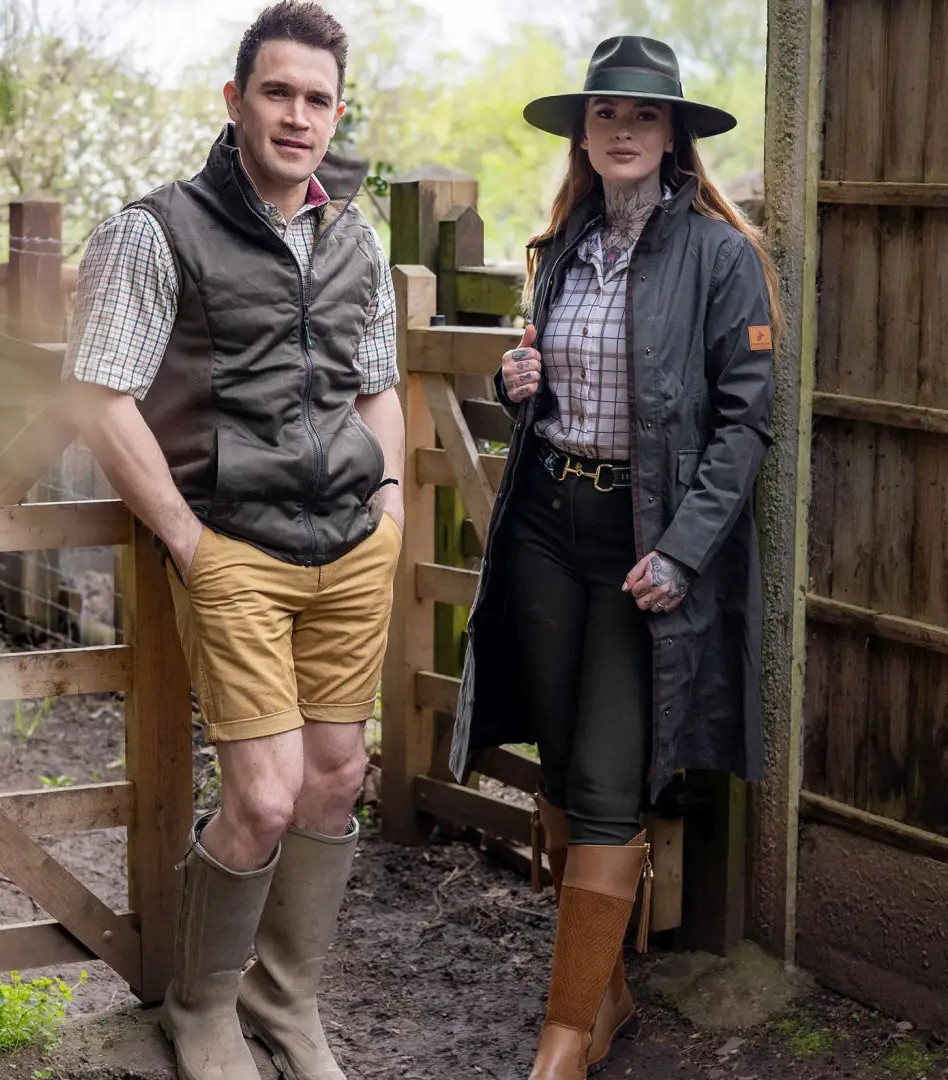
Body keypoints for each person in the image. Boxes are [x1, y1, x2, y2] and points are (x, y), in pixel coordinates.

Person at [63, 4, 403, 1079]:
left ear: (335, 112)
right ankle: (202, 1004)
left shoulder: (356, 237)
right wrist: (189, 542)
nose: (297, 116)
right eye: (277, 92)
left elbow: (381, 388)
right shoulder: (156, 231)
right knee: (263, 796)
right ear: (236, 100)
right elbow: (101, 400)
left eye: (316, 99)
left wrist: (390, 507)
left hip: (351, 547)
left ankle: (287, 1003)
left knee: (337, 777)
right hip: (235, 548)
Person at [449, 36, 780, 1078]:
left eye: (644, 117)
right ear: (584, 136)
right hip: (548, 519)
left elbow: (744, 427)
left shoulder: (723, 259)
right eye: (606, 116)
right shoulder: (562, 246)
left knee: (605, 776)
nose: (624, 132)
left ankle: (563, 1038)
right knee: (554, 748)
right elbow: (561, 384)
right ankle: (605, 993)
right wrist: (520, 383)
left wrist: (682, 552)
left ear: (674, 134)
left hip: (646, 542)